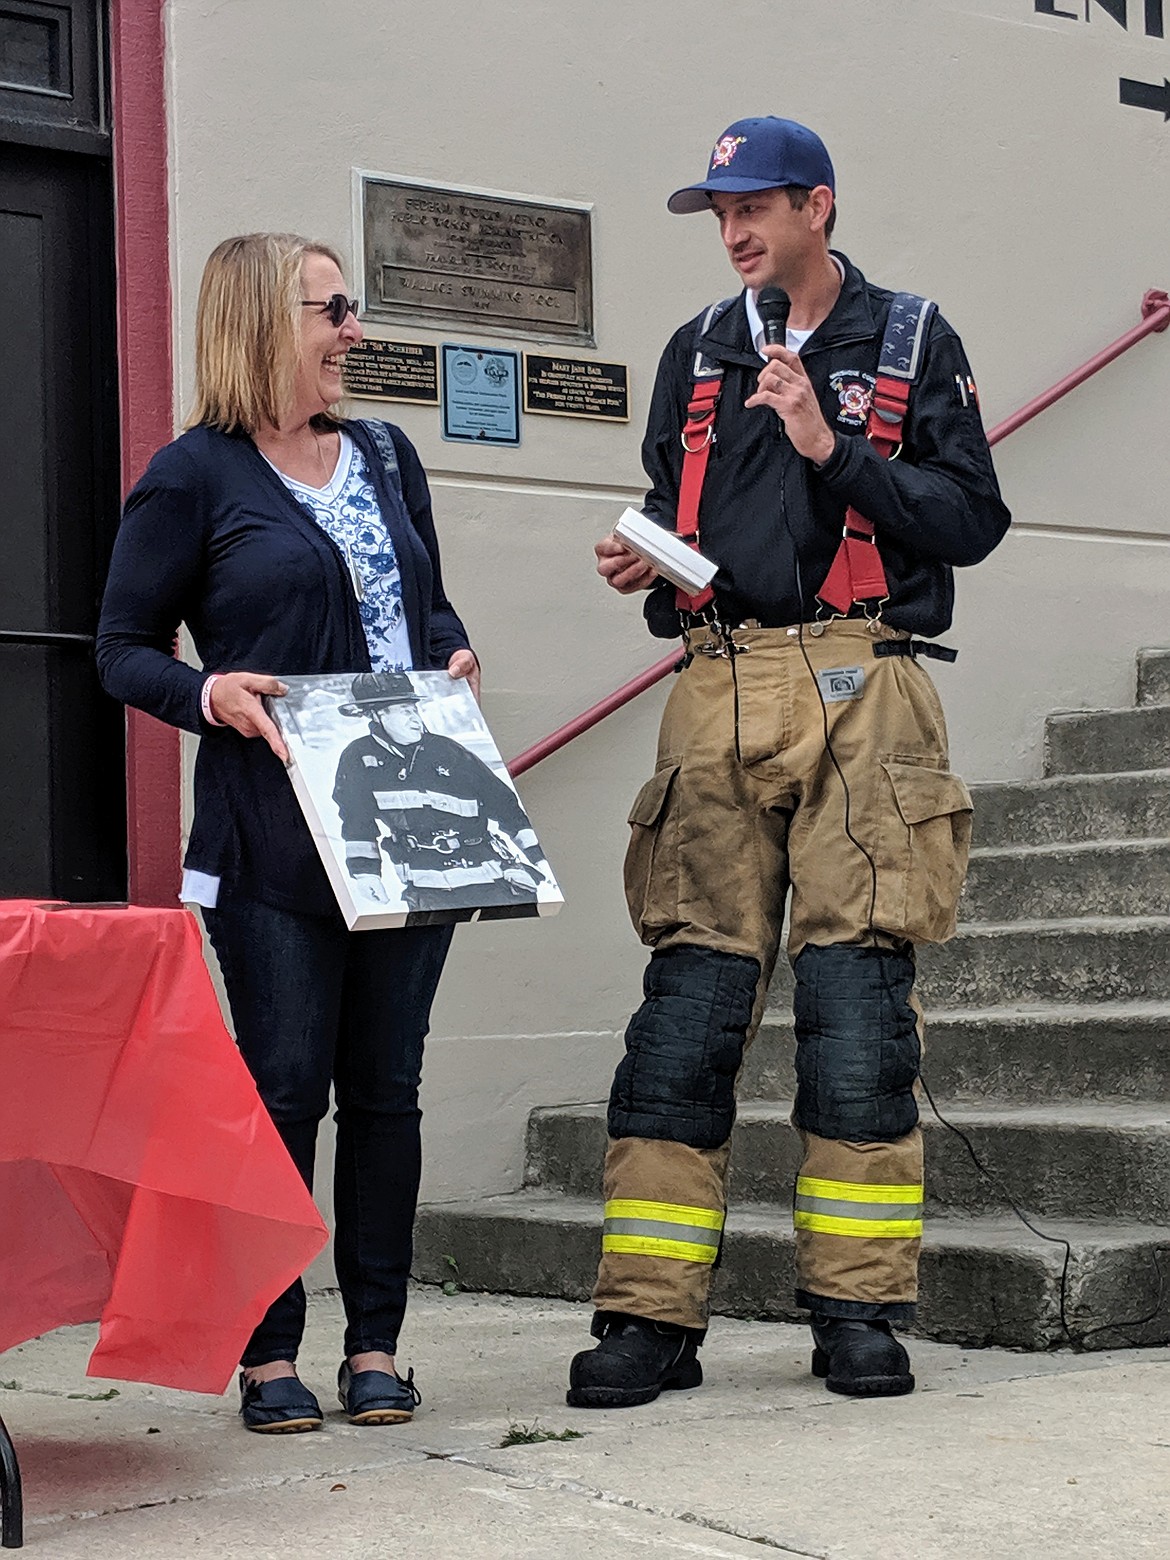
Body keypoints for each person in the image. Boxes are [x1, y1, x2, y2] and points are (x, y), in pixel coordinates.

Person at [567, 117, 1010, 1409]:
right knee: (687, 1011)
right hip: (713, 686)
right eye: (718, 212)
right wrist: (645, 560)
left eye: (754, 205)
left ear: (818, 204)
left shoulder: (912, 340)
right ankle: (647, 1320)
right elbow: (676, 514)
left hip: (864, 684)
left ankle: (858, 1313)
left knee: (856, 1015)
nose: (734, 231)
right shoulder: (695, 353)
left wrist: (835, 450)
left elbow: (967, 520)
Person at [96, 232, 479, 1433]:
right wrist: (212, 693)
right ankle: (269, 1355)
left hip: (408, 825)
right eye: (333, 309)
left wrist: (453, 651)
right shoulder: (192, 475)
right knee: (279, 1091)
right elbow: (120, 649)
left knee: (386, 1089)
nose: (353, 331)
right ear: (268, 322)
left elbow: (423, 602)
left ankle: (377, 1344)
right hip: (273, 839)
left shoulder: (384, 454)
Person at [332, 669, 552, 918]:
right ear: (377, 715)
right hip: (429, 892)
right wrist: (366, 874)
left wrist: (538, 857)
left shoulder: (449, 751)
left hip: (494, 879)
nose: (415, 718)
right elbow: (356, 820)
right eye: (404, 711)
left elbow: (506, 808)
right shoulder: (358, 758)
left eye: (414, 709)